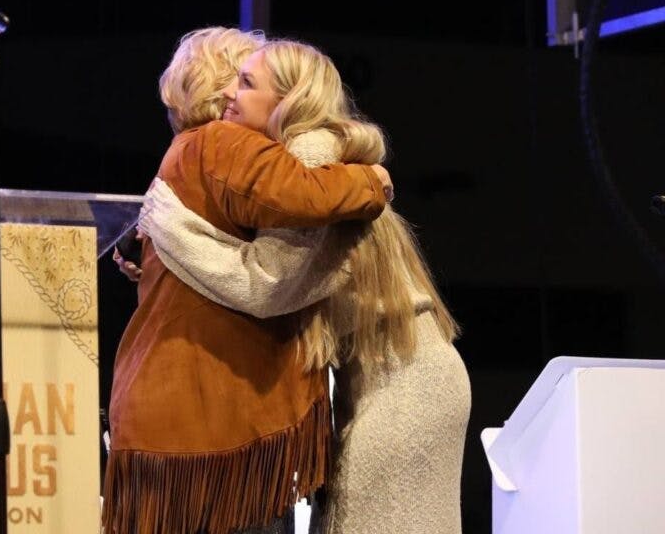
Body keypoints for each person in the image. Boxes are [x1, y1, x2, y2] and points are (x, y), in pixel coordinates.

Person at [134, 39, 471, 534]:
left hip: (403, 380)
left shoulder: (309, 156)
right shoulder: (289, 163)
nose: (229, 95)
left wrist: (172, 232)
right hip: (389, 372)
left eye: (246, 83)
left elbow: (267, 287)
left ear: (287, 101)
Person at [102, 27, 393, 534]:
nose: (236, 91)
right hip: (217, 425)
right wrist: (371, 181)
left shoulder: (188, 152)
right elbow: (298, 194)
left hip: (165, 419)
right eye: (241, 75)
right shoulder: (220, 142)